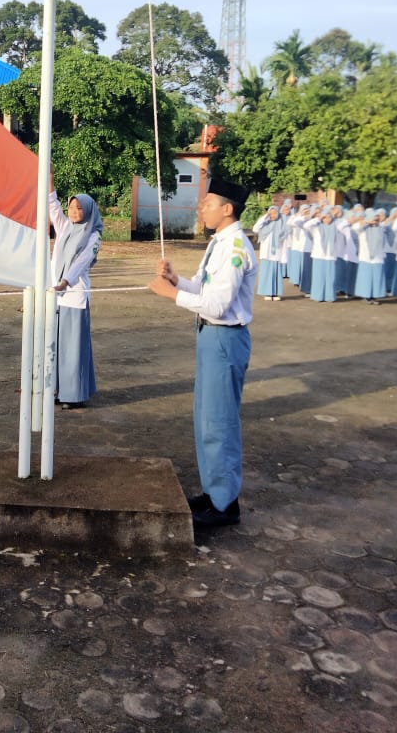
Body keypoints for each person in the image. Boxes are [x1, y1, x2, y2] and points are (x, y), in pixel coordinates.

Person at [149, 176, 256, 530]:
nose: (202, 208)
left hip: (224, 337)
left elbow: (218, 305)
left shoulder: (235, 246)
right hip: (211, 337)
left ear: (227, 209)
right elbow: (204, 287)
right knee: (206, 418)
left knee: (219, 421)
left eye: (208, 203)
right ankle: (214, 493)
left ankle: (225, 505)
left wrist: (169, 295)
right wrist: (178, 280)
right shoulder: (220, 243)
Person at [49, 178, 103, 409]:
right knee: (55, 346)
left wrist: (65, 282)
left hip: (74, 295)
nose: (73, 211)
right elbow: (53, 207)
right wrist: (50, 180)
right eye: (71, 207)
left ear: (89, 210)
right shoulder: (64, 228)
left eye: (79, 208)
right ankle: (57, 390)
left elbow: (82, 262)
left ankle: (74, 395)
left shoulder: (93, 236)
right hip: (55, 296)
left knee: (72, 348)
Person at [253, 205, 286, 300]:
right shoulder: (265, 223)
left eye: (275, 213)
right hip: (266, 252)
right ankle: (267, 293)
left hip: (277, 252)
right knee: (266, 272)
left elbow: (284, 240)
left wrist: (284, 255)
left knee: (276, 273)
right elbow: (255, 229)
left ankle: (276, 293)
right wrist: (265, 217)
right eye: (271, 213)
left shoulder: (281, 224)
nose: (273, 215)